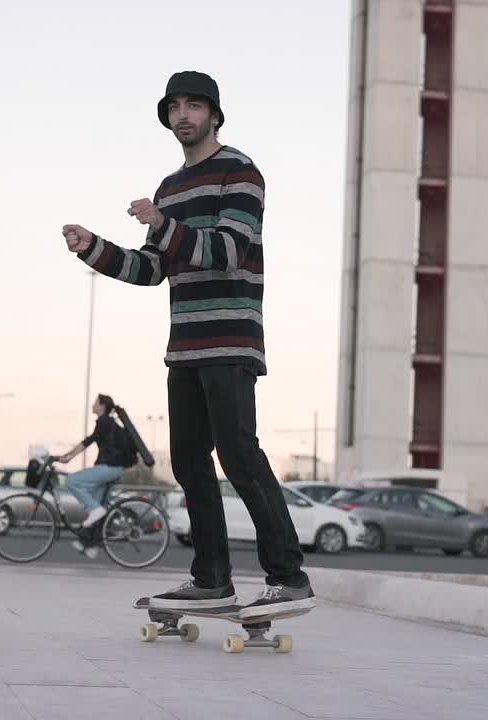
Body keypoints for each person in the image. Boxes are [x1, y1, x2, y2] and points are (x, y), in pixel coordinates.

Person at [60, 70, 313, 620]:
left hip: (231, 338)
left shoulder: (241, 172)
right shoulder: (169, 189)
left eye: (195, 106)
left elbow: (227, 251)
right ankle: (212, 581)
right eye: (175, 106)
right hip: (185, 346)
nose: (184, 115)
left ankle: (288, 578)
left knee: (240, 456)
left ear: (215, 114)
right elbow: (152, 270)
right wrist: (95, 250)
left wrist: (163, 223)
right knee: (190, 465)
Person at [54, 393, 130, 559]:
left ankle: (96, 512)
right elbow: (89, 441)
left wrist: (67, 457)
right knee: (98, 507)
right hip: (112, 467)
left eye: (95, 402)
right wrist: (67, 457)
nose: (93, 405)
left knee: (72, 480)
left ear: (102, 406)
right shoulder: (108, 423)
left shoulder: (104, 422)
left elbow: (87, 442)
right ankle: (90, 546)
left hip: (110, 467)